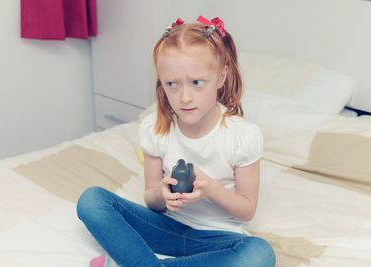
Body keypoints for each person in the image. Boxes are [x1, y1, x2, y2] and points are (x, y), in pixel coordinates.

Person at [77, 16, 276, 267]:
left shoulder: (242, 136)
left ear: (221, 77)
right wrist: (161, 193)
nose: (184, 97)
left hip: (217, 237)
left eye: (196, 83)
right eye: (172, 84)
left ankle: (132, 262)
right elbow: (151, 200)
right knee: (92, 200)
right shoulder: (155, 128)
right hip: (165, 228)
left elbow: (247, 209)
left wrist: (212, 189)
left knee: (260, 254)